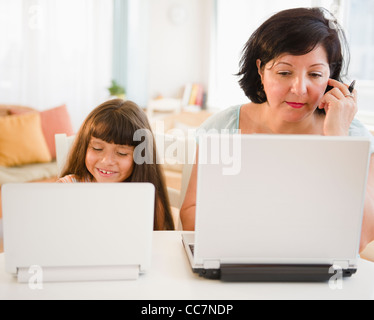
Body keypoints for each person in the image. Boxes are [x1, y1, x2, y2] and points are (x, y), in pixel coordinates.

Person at [180, 7, 374, 252]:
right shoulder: (224, 128)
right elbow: (190, 214)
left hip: (319, 274)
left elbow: (359, 238)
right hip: (239, 259)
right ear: (261, 70)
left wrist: (337, 139)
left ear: (331, 78)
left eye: (315, 74)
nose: (299, 88)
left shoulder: (353, 135)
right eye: (284, 72)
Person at [58, 99, 175, 231]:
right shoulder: (66, 189)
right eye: (97, 148)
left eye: (121, 153)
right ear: (84, 147)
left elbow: (154, 245)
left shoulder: (147, 201)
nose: (106, 161)